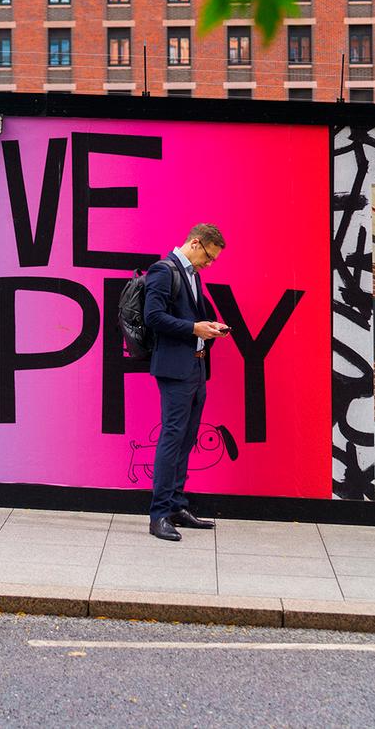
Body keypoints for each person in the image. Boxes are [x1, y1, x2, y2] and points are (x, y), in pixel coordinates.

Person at [143, 223, 231, 542]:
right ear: (195, 243)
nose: (209, 264)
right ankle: (160, 514)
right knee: (172, 437)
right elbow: (153, 317)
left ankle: (178, 505)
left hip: (196, 368)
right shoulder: (164, 270)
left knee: (186, 439)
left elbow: (190, 317)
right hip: (175, 370)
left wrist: (209, 327)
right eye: (208, 257)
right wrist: (194, 328)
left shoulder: (192, 274)